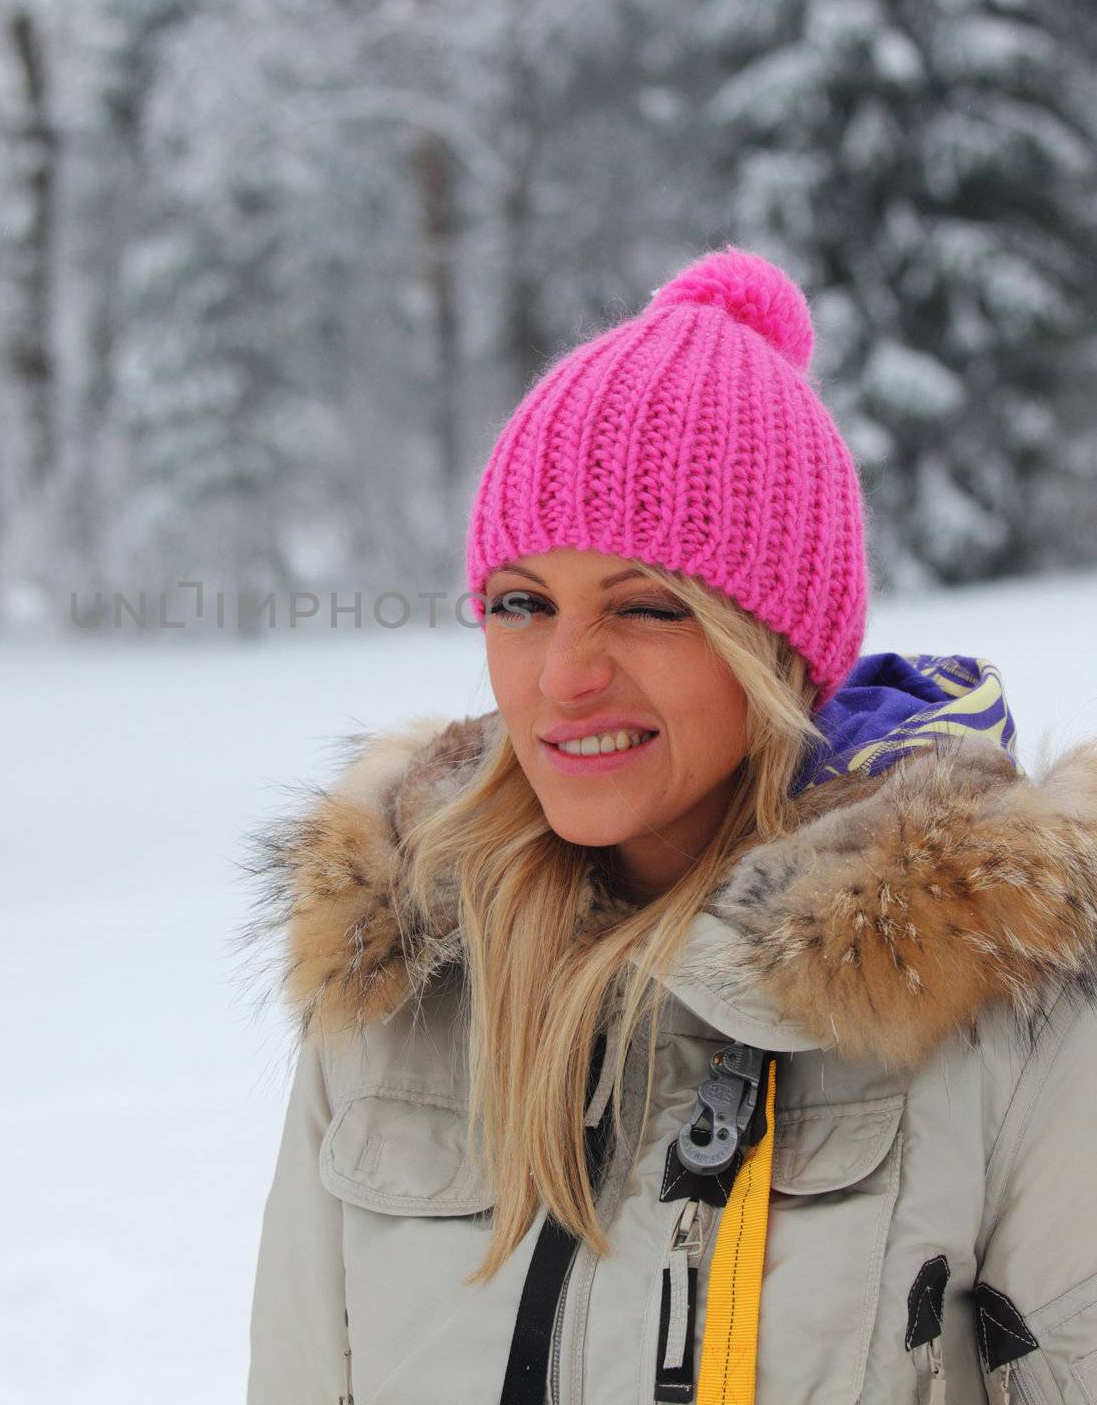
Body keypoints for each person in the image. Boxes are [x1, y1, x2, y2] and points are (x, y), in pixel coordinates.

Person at [241, 247, 1097, 1404]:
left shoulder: (999, 1002)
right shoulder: (400, 978)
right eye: (521, 604)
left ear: (779, 644)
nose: (564, 676)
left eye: (647, 607)